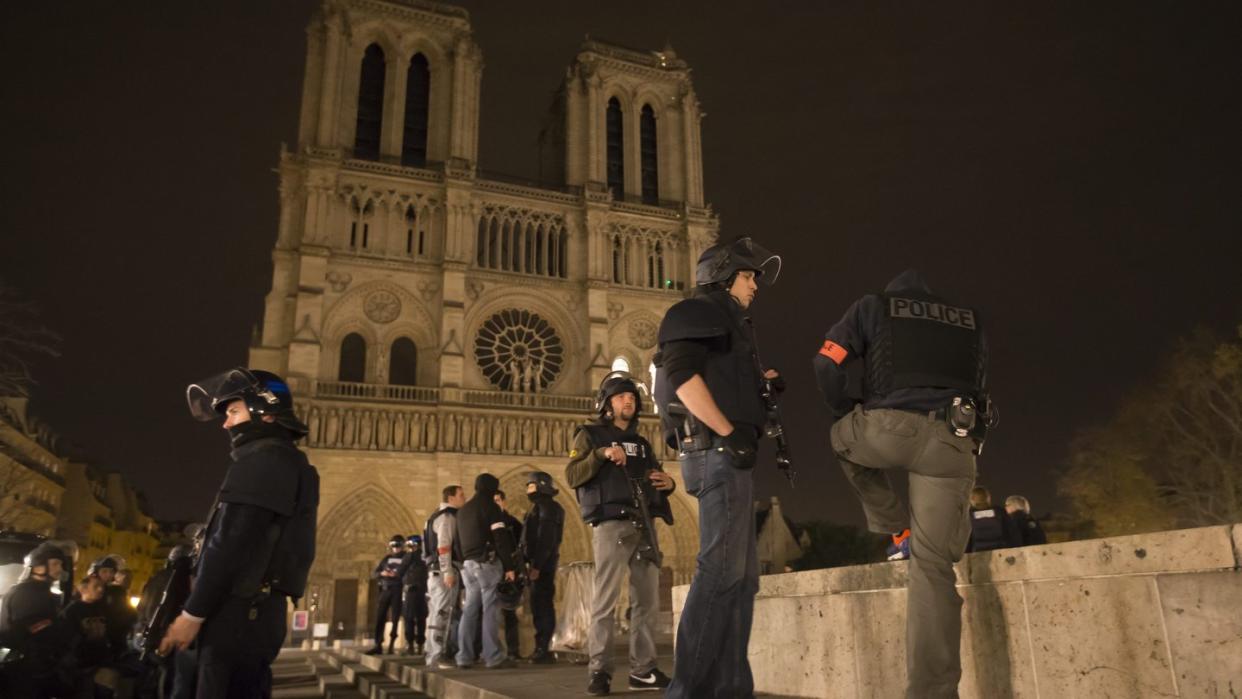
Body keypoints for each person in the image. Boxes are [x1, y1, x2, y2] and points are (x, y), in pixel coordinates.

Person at [812, 269, 990, 698]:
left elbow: (825, 360)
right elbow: (979, 386)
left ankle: (896, 528)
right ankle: (933, 692)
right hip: (952, 440)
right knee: (933, 570)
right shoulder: (968, 318)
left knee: (841, 438)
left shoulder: (873, 305)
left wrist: (846, 408)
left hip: (888, 429)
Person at [653, 236, 782, 699]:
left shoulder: (727, 321)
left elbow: (712, 376)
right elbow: (681, 376)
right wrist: (728, 431)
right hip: (717, 454)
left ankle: (730, 686)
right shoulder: (697, 310)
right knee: (720, 571)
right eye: (749, 276)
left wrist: (760, 386)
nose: (755, 286)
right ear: (724, 277)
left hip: (731, 457)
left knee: (743, 579)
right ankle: (686, 690)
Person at [158, 367, 320, 699]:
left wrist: (193, 612)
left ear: (265, 412)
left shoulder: (264, 461)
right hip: (256, 614)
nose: (226, 423)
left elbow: (230, 542)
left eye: (233, 411)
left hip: (237, 614)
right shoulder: (288, 461)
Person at [570, 371, 677, 695]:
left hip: (644, 525)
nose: (628, 401)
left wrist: (668, 484)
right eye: (620, 397)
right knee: (605, 602)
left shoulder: (642, 444)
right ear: (606, 404)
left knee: (646, 602)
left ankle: (643, 670)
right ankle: (599, 671)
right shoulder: (589, 435)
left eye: (631, 397)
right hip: (611, 524)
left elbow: (654, 476)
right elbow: (573, 473)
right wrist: (602, 454)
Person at [452, 473, 520, 670]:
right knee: (490, 610)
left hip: (468, 565)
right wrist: (508, 566)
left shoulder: (463, 511)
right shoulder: (491, 508)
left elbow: (457, 541)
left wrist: (463, 561)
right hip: (486, 563)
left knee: (470, 610)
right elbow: (500, 538)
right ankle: (493, 656)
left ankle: (463, 656)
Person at [0, 541, 68, 698]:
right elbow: (26, 632)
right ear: (38, 566)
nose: (60, 569)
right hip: (25, 670)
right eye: (55, 564)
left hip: (38, 667)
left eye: (61, 564)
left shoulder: (42, 591)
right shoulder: (27, 593)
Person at [520, 470, 564, 664]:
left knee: (542, 605)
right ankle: (541, 647)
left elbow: (546, 538)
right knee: (539, 604)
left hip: (543, 564)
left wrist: (537, 565)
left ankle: (543, 648)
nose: (528, 489)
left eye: (530, 485)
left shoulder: (547, 508)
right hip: (541, 562)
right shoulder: (543, 507)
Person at [423, 484, 465, 668]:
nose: (464, 498)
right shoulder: (447, 517)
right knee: (443, 613)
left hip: (433, 571)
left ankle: (431, 653)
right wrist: (447, 570)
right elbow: (444, 545)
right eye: (461, 495)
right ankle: (438, 655)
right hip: (443, 572)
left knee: (435, 613)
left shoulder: (432, 517)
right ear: (451, 498)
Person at [61, 574, 112, 695]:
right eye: (96, 586)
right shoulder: (72, 611)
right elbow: (67, 637)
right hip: (80, 665)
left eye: (102, 586)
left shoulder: (102, 608)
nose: (101, 589)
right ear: (83, 589)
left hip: (99, 662)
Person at [493, 489, 523, 660]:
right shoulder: (488, 521)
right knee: (489, 611)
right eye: (493, 500)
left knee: (510, 612)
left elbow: (521, 545)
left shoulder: (513, 523)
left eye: (498, 500)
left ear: (504, 502)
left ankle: (513, 650)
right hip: (492, 569)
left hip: (510, 572)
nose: (496, 503)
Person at [367, 535, 408, 655]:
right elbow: (375, 573)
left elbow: (409, 573)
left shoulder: (406, 558)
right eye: (393, 545)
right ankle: (378, 644)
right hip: (385, 589)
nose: (395, 548)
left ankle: (391, 645)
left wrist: (397, 575)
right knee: (380, 617)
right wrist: (382, 573)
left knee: (395, 618)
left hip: (398, 589)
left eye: (397, 545)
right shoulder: (387, 558)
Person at [966, 487, 1021, 552]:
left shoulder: (968, 516)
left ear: (972, 499)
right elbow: (1013, 535)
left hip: (978, 555)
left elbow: (965, 542)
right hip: (1001, 553)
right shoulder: (1000, 512)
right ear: (988, 498)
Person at [399, 534, 429, 655]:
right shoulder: (422, 555)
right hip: (418, 589)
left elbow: (401, 570)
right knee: (416, 618)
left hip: (415, 589)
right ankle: (416, 644)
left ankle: (414, 644)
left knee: (413, 618)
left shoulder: (413, 555)